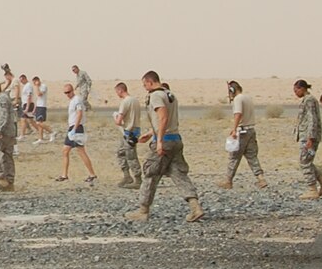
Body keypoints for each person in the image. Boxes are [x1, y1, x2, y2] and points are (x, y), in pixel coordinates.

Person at [129, 71, 203, 223]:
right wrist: (151, 133)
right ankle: (195, 207)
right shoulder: (170, 94)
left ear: (150, 82)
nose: (145, 88)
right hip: (175, 139)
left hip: (165, 141)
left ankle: (143, 210)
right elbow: (165, 120)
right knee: (178, 174)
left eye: (145, 85)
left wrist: (159, 140)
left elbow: (163, 117)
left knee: (151, 173)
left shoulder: (156, 96)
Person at [220, 79, 266, 190]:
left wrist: (234, 129)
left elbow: (238, 114)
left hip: (242, 131)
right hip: (251, 130)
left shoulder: (238, 99)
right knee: (252, 156)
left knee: (234, 157)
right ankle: (261, 178)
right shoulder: (248, 98)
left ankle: (228, 181)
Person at [293, 79, 322, 199]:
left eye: (296, 90)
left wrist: (310, 138)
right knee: (307, 161)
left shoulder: (309, 100)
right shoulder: (307, 100)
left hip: (308, 137)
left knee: (304, 162)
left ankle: (312, 189)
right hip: (306, 136)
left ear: (302, 88)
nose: (295, 92)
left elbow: (312, 119)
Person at [56, 81, 97, 183]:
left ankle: (91, 174)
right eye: (65, 93)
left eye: (68, 92)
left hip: (76, 128)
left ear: (72, 90)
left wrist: (74, 128)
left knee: (79, 151)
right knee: (67, 151)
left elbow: (79, 114)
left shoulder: (77, 100)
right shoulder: (72, 101)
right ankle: (65, 175)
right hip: (73, 128)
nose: (67, 94)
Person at [113, 81, 142, 189]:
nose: (117, 94)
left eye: (117, 92)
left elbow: (119, 121)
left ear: (120, 90)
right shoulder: (135, 100)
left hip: (128, 132)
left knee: (131, 156)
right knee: (121, 152)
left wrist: (116, 117)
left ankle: (138, 179)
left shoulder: (125, 102)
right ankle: (127, 176)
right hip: (134, 130)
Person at [0, 78, 17, 191]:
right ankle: (8, 182)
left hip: (4, 133)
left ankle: (3, 181)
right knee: (6, 157)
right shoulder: (2, 98)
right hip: (8, 132)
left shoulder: (2, 99)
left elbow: (3, 116)